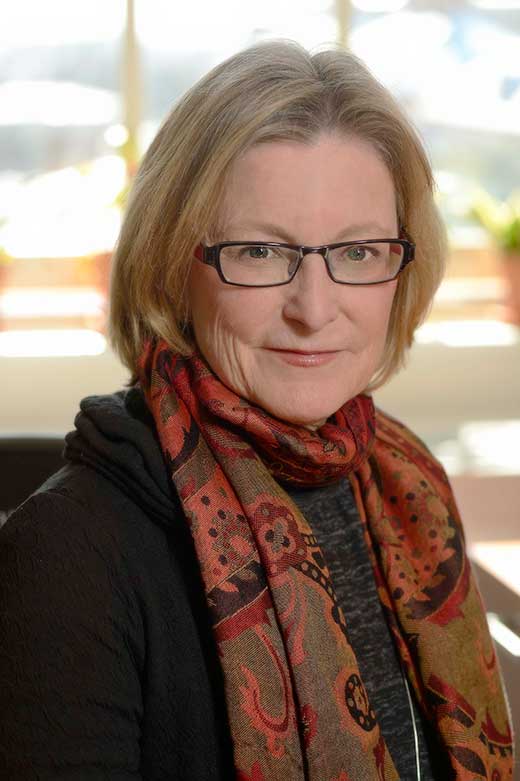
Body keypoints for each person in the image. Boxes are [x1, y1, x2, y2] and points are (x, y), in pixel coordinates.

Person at [0, 41, 513, 781]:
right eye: (261, 252)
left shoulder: (410, 491)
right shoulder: (65, 554)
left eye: (358, 252)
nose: (314, 309)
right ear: (173, 262)